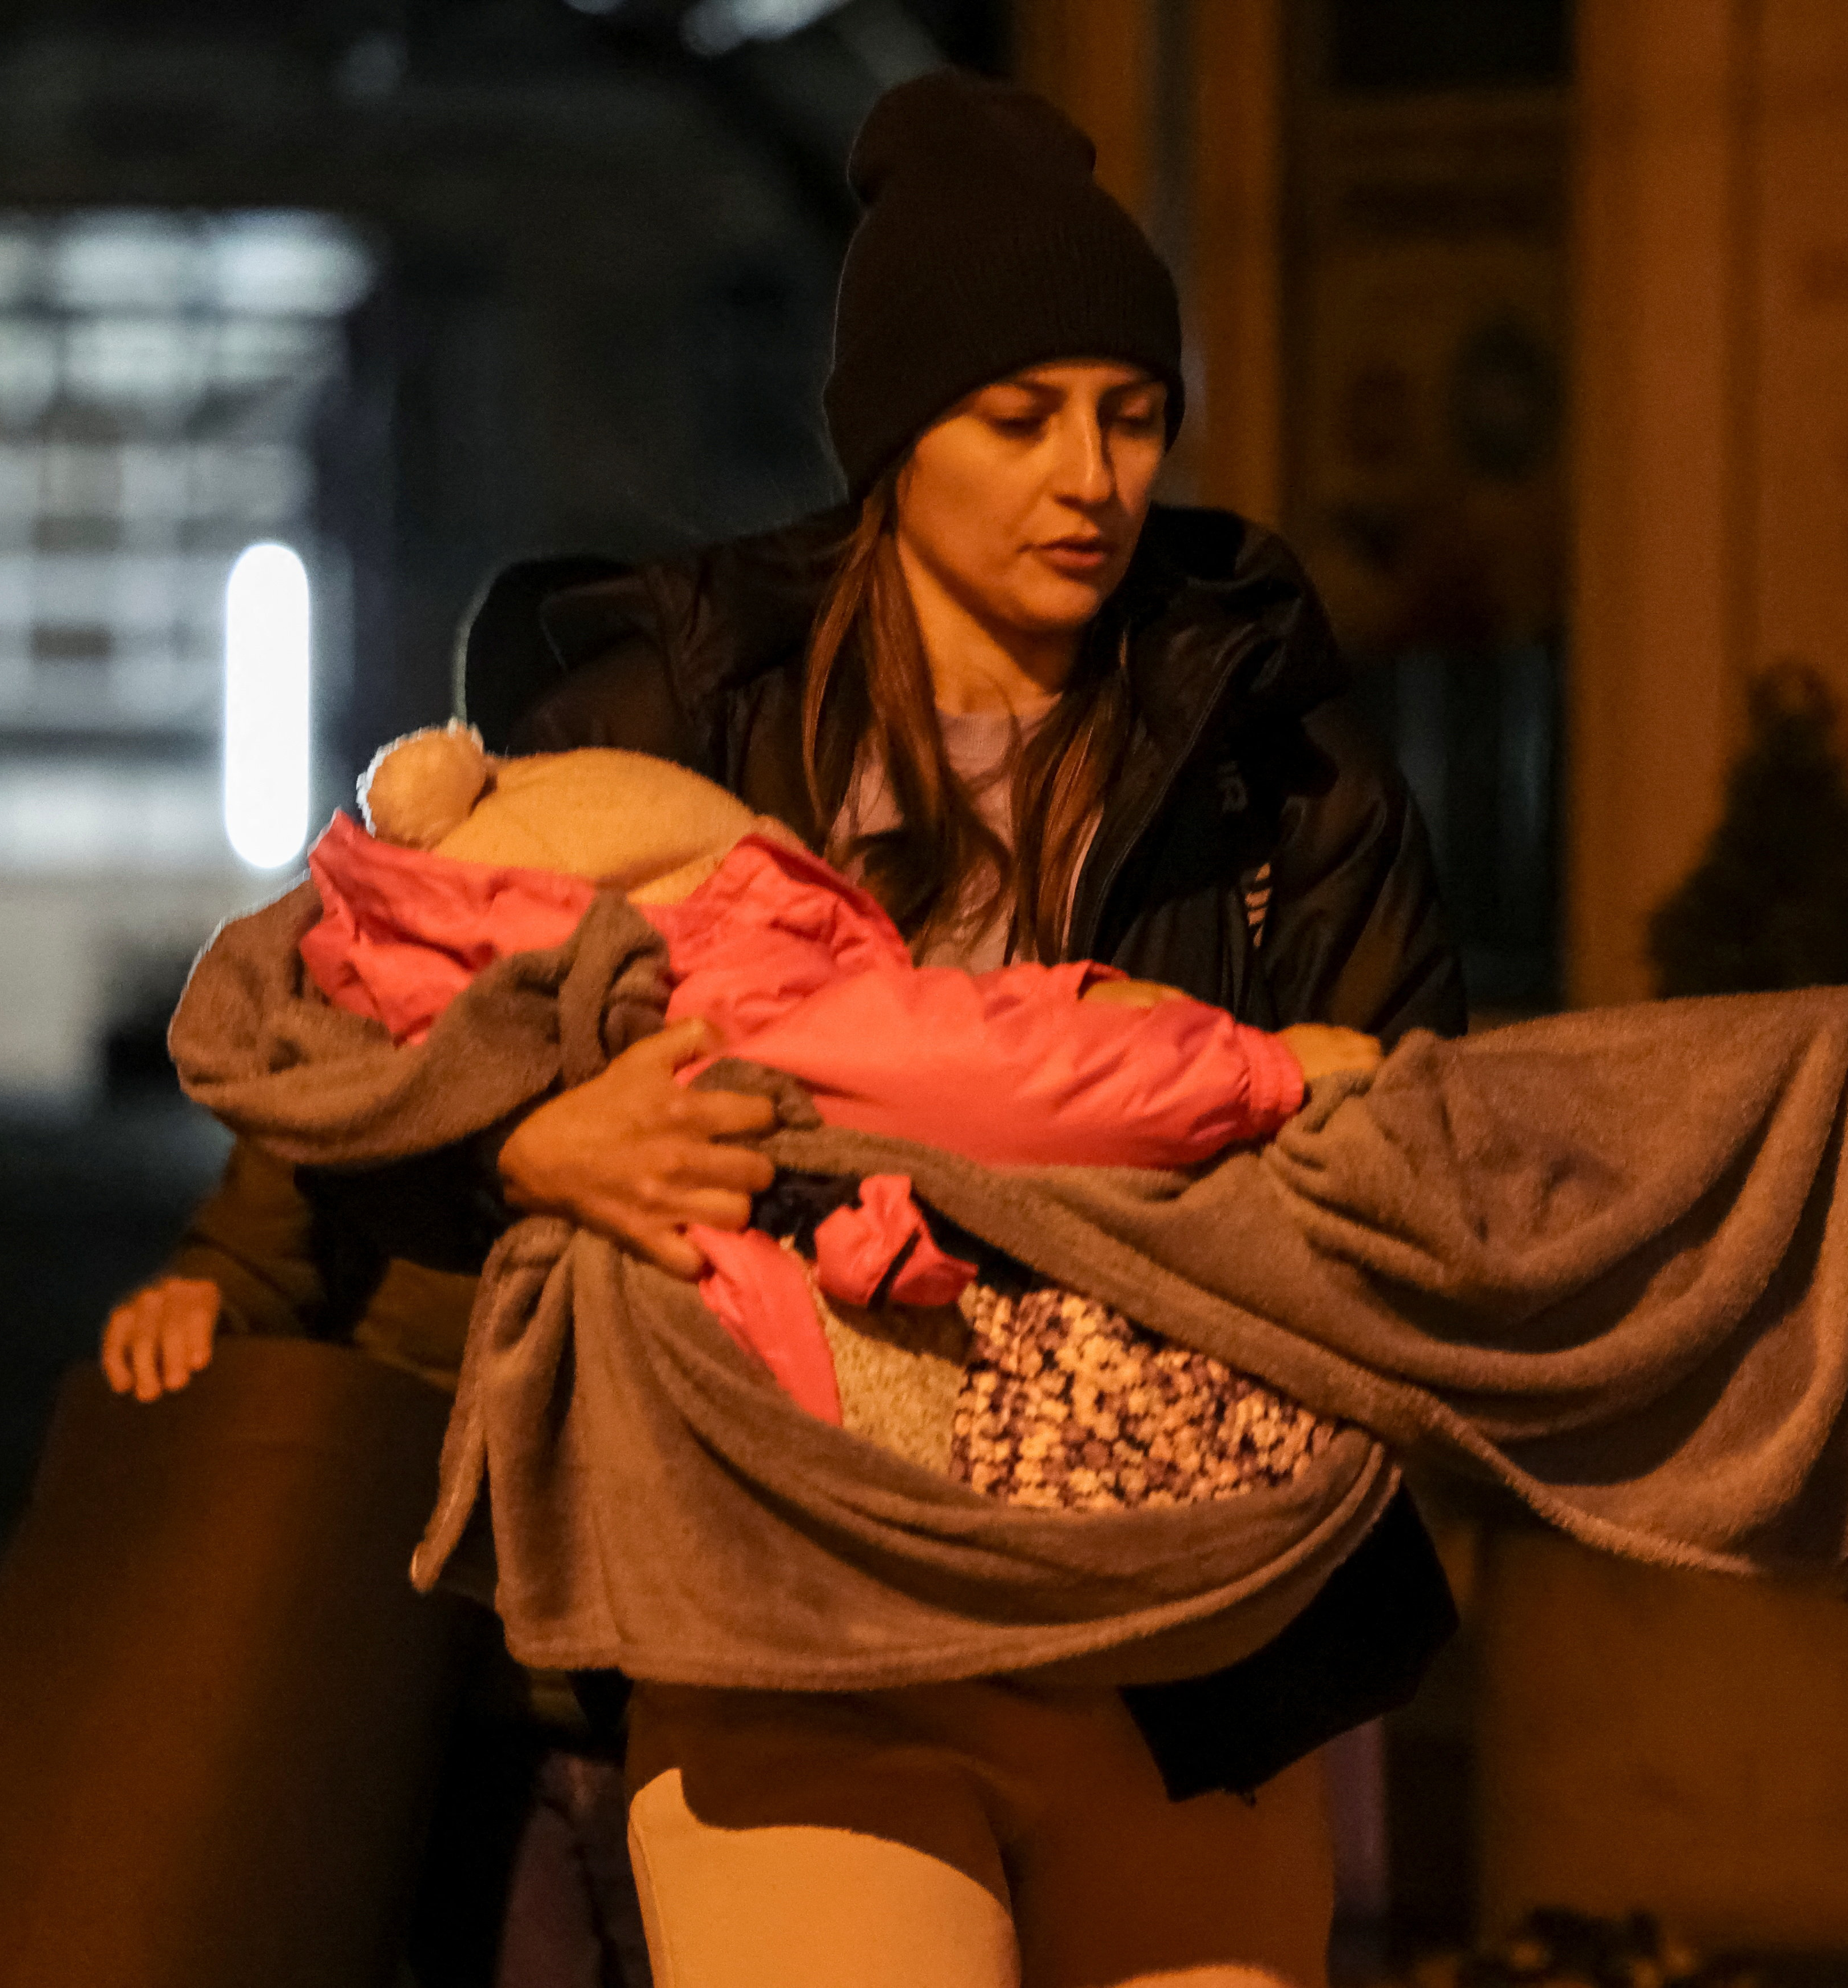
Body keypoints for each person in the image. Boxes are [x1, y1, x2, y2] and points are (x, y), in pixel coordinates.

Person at [117, 65, 1462, 1988]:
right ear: (896, 437)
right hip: (785, 1634)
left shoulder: (1278, 758)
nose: (1093, 476)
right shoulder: (683, 714)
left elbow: (1398, 1151)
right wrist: (525, 1150)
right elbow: (343, 1036)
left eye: (1131, 415)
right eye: (1021, 419)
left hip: (1196, 1660)